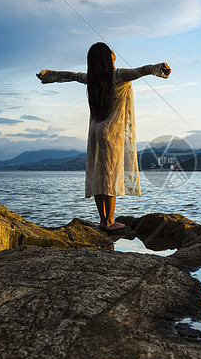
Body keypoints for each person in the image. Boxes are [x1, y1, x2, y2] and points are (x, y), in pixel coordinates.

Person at [37, 42, 171, 231]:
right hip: (111, 133)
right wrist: (161, 69)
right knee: (110, 176)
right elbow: (144, 70)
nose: (113, 51)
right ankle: (109, 222)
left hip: (95, 130)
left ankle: (103, 220)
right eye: (110, 50)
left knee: (98, 175)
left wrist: (47, 75)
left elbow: (70, 75)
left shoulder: (92, 78)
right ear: (108, 57)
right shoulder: (118, 75)